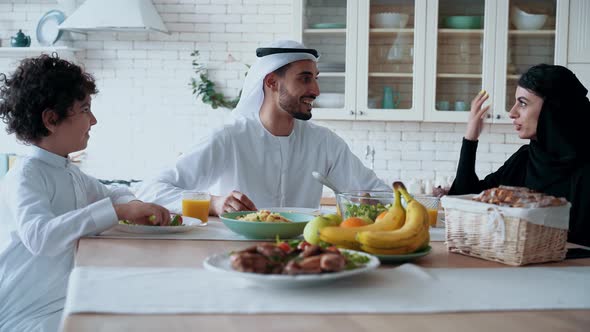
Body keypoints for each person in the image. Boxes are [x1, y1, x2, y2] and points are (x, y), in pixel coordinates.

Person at [0, 54, 171, 332]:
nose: (93, 120)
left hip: (62, 302)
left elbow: (113, 192)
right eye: (84, 109)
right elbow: (40, 237)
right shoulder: (26, 175)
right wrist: (118, 212)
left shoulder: (67, 170)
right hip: (27, 317)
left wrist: (134, 204)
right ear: (51, 119)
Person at [137, 40, 389, 216]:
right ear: (271, 82)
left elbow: (379, 194)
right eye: (304, 78)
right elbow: (151, 190)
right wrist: (213, 203)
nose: (316, 90)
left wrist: (382, 202)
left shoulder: (324, 142)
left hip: (303, 254)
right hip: (232, 251)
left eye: (315, 79)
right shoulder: (228, 138)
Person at [449, 64, 590, 246]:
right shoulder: (524, 159)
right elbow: (464, 201)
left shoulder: (585, 169)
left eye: (522, 103)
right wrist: (470, 138)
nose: (512, 112)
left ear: (552, 109)